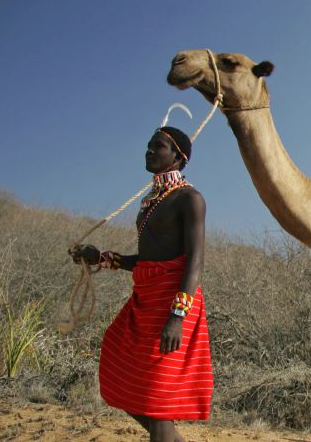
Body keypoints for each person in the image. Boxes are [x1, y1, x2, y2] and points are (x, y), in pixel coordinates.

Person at [68, 126, 212, 442]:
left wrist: (177, 317)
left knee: (157, 401)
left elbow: (195, 263)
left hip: (174, 304)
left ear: (178, 156)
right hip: (145, 301)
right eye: (148, 145)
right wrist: (102, 258)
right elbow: (147, 260)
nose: (149, 150)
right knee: (121, 369)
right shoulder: (150, 202)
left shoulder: (190, 199)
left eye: (157, 146)